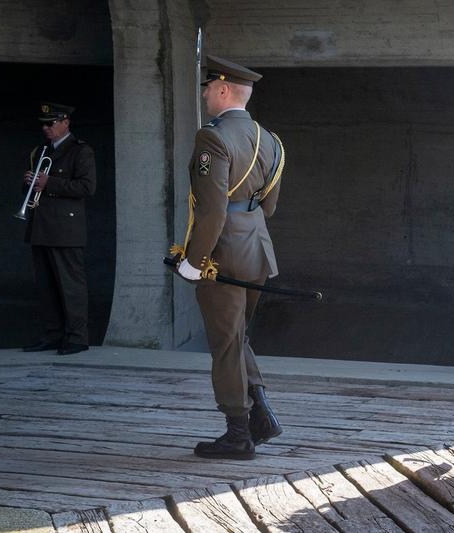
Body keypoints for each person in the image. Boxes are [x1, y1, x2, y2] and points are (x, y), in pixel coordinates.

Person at [175, 55, 284, 460]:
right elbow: (268, 206)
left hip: (221, 255)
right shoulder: (269, 138)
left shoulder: (212, 137)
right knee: (238, 337)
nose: (204, 93)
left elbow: (213, 211)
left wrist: (193, 260)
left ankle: (238, 433)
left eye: (207, 87)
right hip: (257, 248)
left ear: (223, 89)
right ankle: (262, 415)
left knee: (224, 344)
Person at [21, 103, 96, 356]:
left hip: (66, 228)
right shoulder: (40, 151)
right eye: (43, 124)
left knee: (70, 286)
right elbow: (34, 191)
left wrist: (48, 182)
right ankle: (52, 335)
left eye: (50, 123)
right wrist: (30, 184)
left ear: (65, 122)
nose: (46, 128)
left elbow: (87, 188)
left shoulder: (80, 151)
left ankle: (77, 338)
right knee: (46, 286)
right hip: (40, 227)